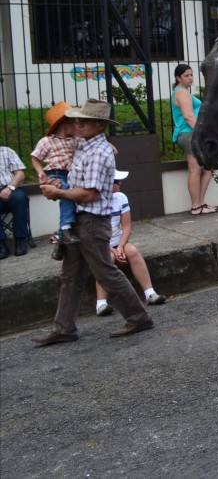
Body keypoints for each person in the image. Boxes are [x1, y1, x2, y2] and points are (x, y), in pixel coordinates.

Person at [33, 99, 153, 345]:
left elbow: (90, 193)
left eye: (84, 121)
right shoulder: (85, 146)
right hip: (81, 219)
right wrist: (59, 184)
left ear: (99, 125)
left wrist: (60, 194)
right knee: (71, 275)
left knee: (105, 272)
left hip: (92, 220)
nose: (77, 124)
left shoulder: (98, 152)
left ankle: (138, 316)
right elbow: (77, 184)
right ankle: (64, 327)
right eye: (77, 119)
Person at [95, 169, 167, 316]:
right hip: (101, 244)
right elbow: (95, 234)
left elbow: (126, 226)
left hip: (118, 242)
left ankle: (150, 293)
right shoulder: (94, 202)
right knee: (108, 259)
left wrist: (120, 246)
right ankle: (101, 303)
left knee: (132, 251)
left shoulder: (120, 198)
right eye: (116, 181)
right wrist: (112, 250)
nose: (120, 183)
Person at [31, 101, 83, 250]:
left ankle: (61, 238)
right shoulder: (46, 142)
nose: (77, 126)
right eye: (74, 123)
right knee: (66, 193)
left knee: (76, 194)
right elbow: (35, 157)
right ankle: (65, 228)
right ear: (64, 124)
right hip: (56, 174)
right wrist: (41, 173)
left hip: (72, 174)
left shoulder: (76, 140)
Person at [171, 63, 216, 215]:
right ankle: (196, 206)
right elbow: (189, 116)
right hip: (189, 134)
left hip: (190, 134)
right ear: (178, 78)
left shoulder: (182, 92)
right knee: (195, 169)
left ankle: (200, 204)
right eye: (186, 76)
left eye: (191, 75)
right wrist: (202, 134)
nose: (190, 78)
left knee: (207, 169)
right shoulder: (182, 93)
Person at [0, 145, 30, 259]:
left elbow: (20, 174)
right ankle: (1, 245)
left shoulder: (6, 151)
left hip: (11, 189)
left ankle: (20, 239)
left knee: (19, 198)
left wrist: (9, 188)